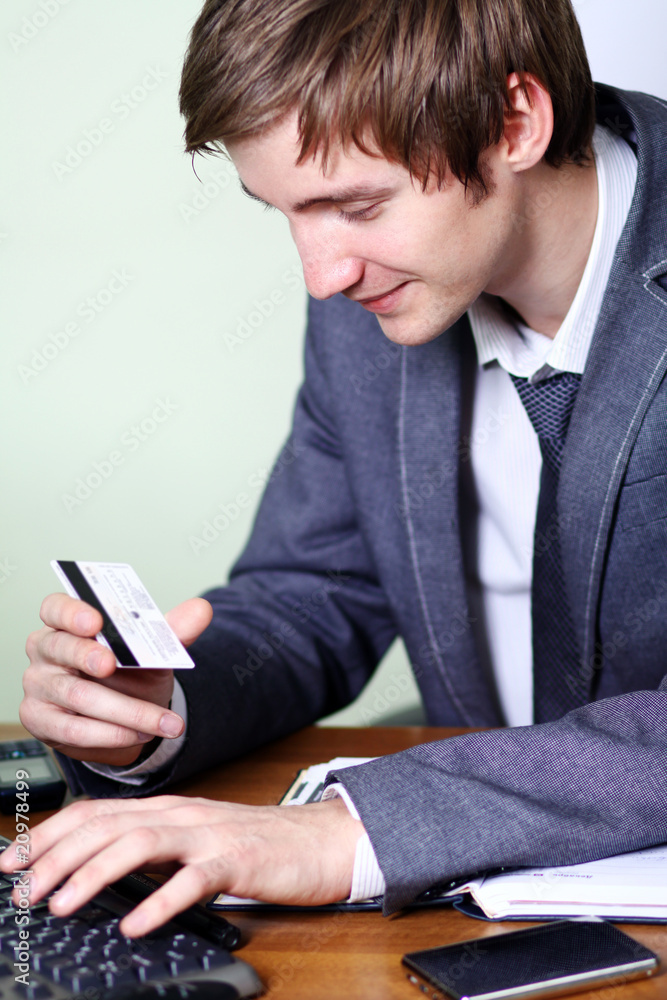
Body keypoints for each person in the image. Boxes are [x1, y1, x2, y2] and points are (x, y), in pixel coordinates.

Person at [4, 0, 667, 937]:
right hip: (474, 921)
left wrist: (346, 835)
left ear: (514, 121)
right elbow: (313, 589)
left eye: (356, 205)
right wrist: (155, 710)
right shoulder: (381, 301)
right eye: (284, 213)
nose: (321, 275)